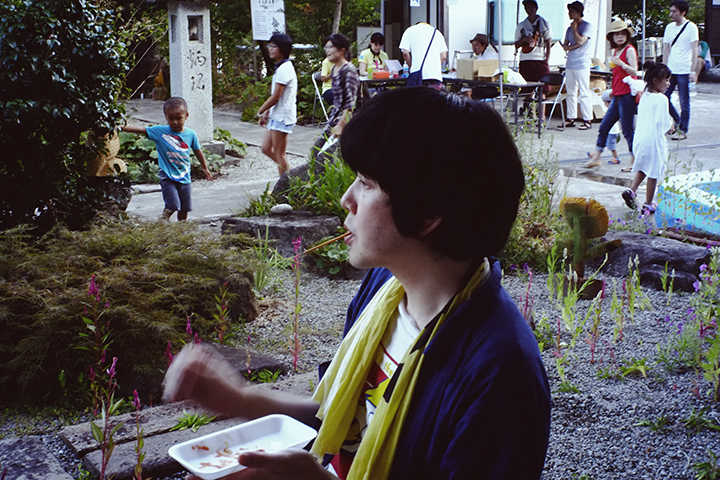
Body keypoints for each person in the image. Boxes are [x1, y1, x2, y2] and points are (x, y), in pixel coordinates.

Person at [162, 88, 551, 480]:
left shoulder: (501, 373)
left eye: (366, 182)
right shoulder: (384, 288)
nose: (347, 198)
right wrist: (238, 399)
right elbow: (343, 417)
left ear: (427, 214)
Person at [121, 97, 211, 221]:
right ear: (166, 117)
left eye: (178, 118)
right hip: (167, 176)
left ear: (186, 115)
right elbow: (141, 129)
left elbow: (197, 151)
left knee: (184, 208)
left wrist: (205, 168)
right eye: (171, 118)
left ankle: (182, 229)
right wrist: (120, 127)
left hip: (185, 177)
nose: (175, 122)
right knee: (173, 205)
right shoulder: (160, 132)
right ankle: (162, 221)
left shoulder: (191, 134)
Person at [583, 20, 638, 170]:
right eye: (616, 34)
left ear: (627, 35)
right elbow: (617, 75)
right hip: (617, 94)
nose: (620, 37)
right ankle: (596, 157)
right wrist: (614, 90)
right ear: (612, 37)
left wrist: (622, 64)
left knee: (627, 131)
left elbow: (635, 72)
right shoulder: (614, 52)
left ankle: (634, 160)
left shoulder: (629, 50)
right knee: (604, 126)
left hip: (627, 95)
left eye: (622, 34)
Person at [621, 62, 674, 214]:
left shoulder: (644, 96)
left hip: (640, 139)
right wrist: (671, 128)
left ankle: (632, 190)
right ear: (656, 81)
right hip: (653, 141)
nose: (668, 84)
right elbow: (663, 123)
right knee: (653, 172)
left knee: (644, 166)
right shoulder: (662, 99)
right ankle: (648, 203)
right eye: (666, 80)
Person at [310, 33, 360, 164]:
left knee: (326, 159)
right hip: (334, 119)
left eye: (331, 47)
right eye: (326, 47)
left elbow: (351, 104)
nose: (327, 50)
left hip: (349, 123)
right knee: (315, 152)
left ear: (341, 50)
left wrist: (341, 125)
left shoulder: (349, 71)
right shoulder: (334, 70)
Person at [257, 33, 297, 176]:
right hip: (276, 115)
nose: (270, 48)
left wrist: (260, 110)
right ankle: (292, 175)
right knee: (266, 148)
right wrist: (267, 113)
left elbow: (276, 96)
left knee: (280, 153)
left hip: (283, 117)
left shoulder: (285, 68)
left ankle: (287, 183)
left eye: (274, 46)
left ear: (282, 49)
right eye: (270, 45)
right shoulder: (281, 68)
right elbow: (277, 97)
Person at [662, 0, 699, 141]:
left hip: (684, 69)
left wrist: (693, 71)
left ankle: (683, 130)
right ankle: (677, 120)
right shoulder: (669, 28)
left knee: (684, 102)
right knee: (664, 97)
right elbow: (666, 48)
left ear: (683, 13)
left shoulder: (691, 27)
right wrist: (663, 68)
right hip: (671, 69)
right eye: (670, 11)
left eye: (674, 11)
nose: (671, 14)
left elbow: (694, 49)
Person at [514, 0, 553, 122]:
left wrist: (547, 59)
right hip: (526, 59)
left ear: (536, 8)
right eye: (527, 8)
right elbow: (516, 45)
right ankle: (530, 114)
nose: (529, 10)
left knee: (542, 89)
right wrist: (524, 40)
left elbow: (548, 43)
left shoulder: (544, 24)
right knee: (527, 90)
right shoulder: (521, 26)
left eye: (531, 7)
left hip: (540, 59)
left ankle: (542, 116)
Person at [560, 1, 593, 130]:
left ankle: (587, 119)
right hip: (570, 63)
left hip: (582, 63)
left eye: (572, 11)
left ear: (579, 12)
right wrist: (572, 46)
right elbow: (565, 46)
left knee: (584, 91)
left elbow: (580, 41)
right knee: (570, 92)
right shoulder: (568, 29)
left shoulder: (587, 26)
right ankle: (571, 117)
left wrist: (575, 29)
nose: (569, 14)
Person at [399, 22, 448, 89]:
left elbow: (405, 53)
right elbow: (444, 56)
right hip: (435, 77)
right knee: (434, 95)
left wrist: (411, 67)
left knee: (418, 95)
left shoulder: (409, 31)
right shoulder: (437, 33)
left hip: (418, 76)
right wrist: (435, 67)